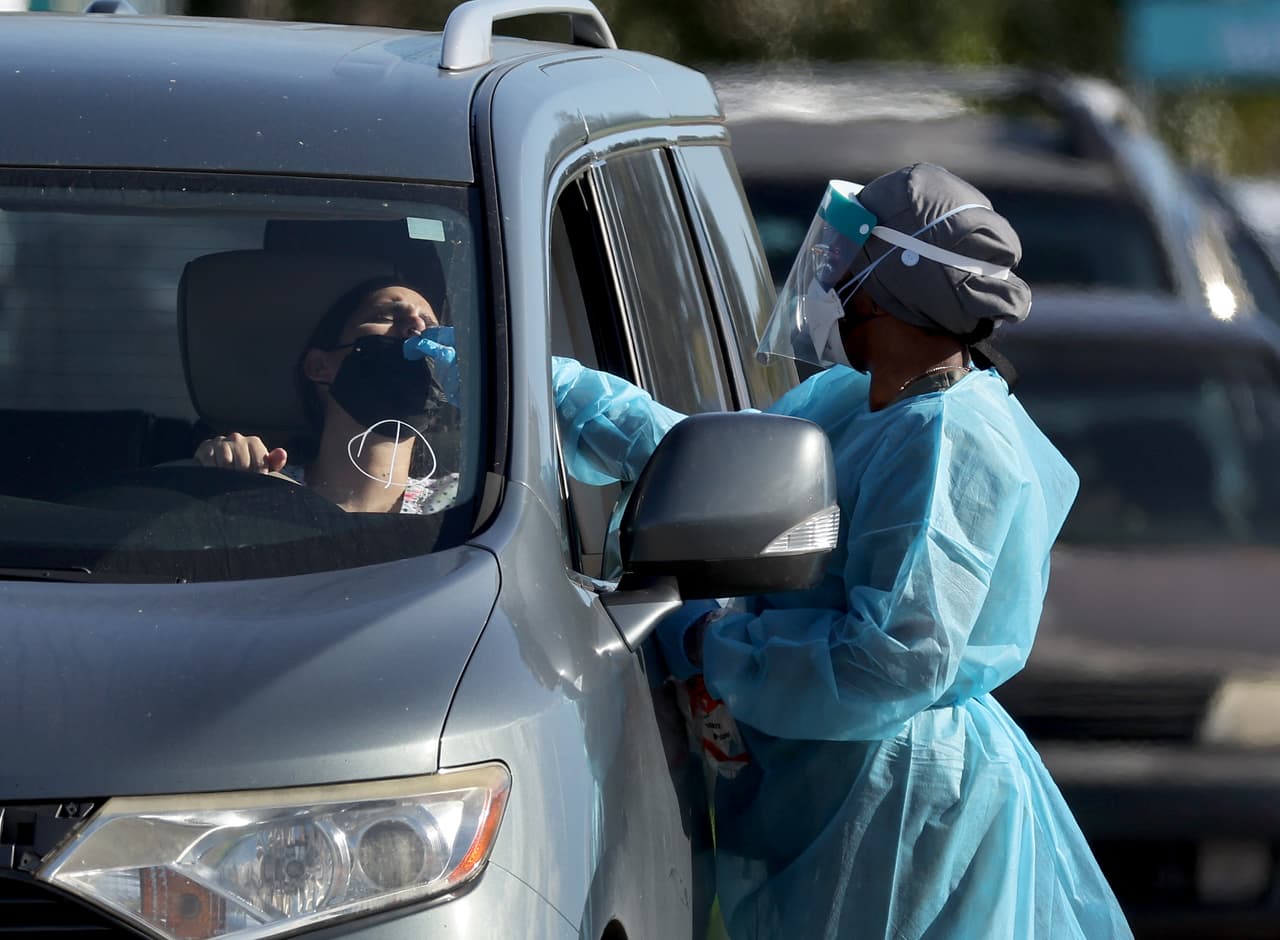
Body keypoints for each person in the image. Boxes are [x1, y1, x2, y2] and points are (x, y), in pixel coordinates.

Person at [554, 164, 1132, 939]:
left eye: (844, 267)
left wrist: (711, 643)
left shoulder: (948, 439)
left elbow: (891, 660)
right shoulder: (857, 403)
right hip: (830, 785)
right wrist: (567, 398)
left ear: (900, 285)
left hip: (894, 800)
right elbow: (728, 471)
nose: (828, 282)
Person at [195, 277, 460, 514]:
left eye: (429, 325)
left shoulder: (470, 504)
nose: (416, 325)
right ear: (319, 366)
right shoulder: (260, 489)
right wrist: (218, 477)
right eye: (387, 316)